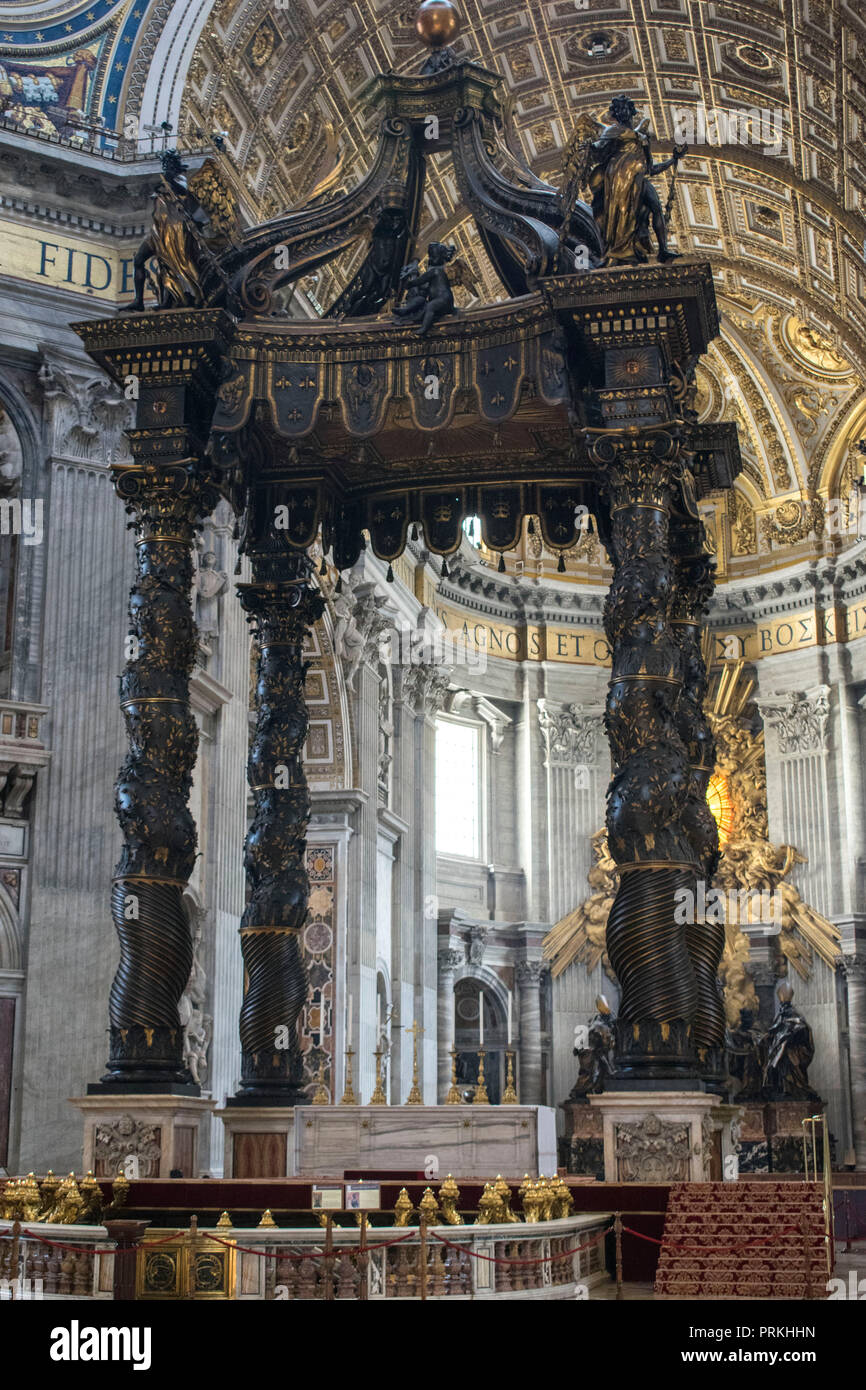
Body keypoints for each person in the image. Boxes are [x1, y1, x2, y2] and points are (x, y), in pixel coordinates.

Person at [587, 95, 686, 264]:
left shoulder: (642, 137)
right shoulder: (612, 131)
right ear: (616, 114)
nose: (623, 112)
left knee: (655, 206)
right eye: (619, 109)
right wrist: (591, 146)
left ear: (631, 112)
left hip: (639, 177)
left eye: (625, 108)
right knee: (622, 212)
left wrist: (673, 159)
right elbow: (599, 148)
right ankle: (615, 249)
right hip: (619, 177)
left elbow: (651, 168)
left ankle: (663, 250)